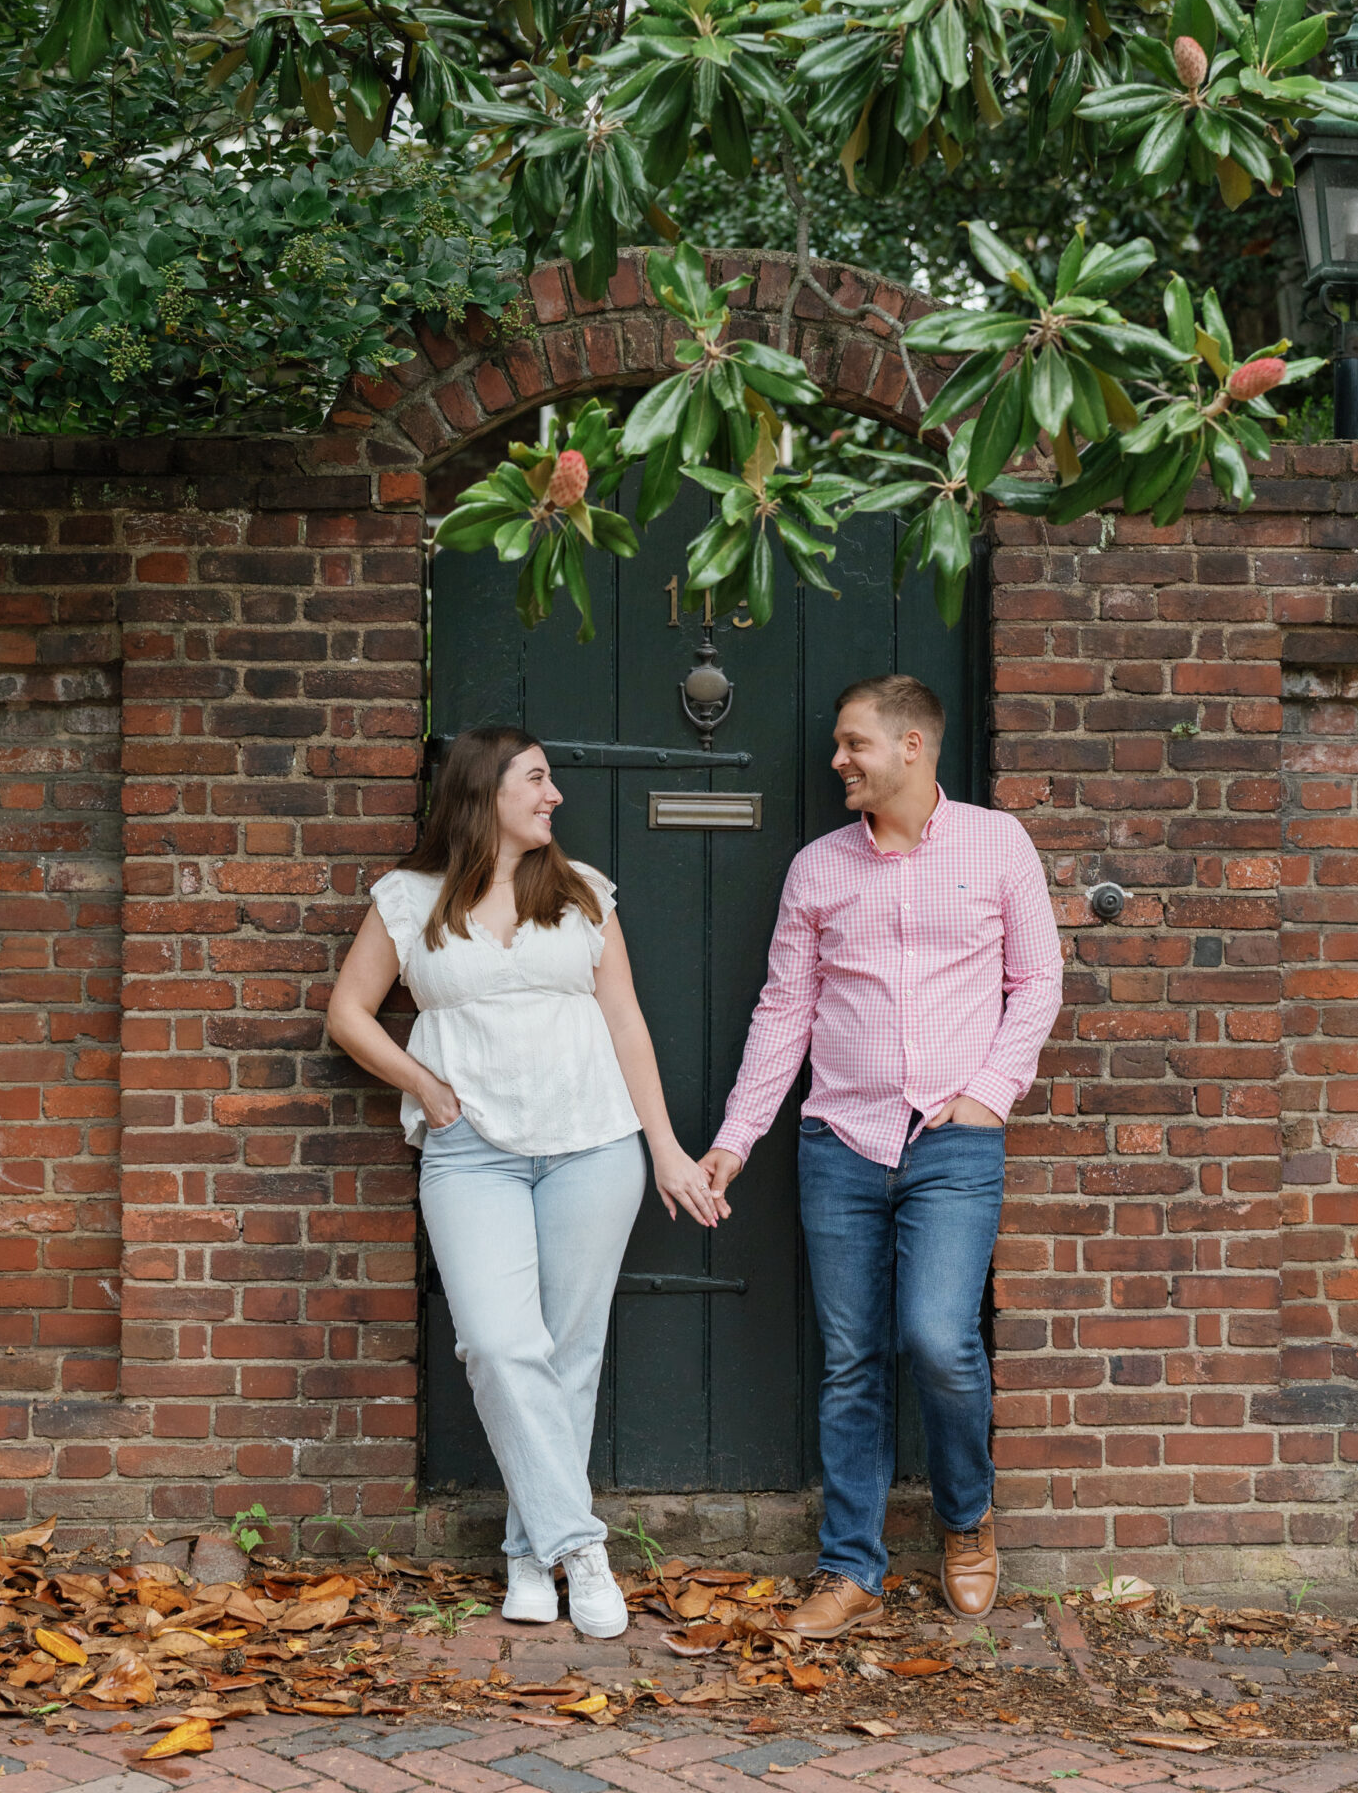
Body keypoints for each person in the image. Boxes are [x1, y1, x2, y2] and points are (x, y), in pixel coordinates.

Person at [327, 725, 719, 1640]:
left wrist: (664, 1146)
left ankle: (525, 1555)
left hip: (593, 1144)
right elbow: (349, 1012)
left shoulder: (581, 894)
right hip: (473, 1154)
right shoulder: (408, 899)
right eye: (537, 780)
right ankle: (581, 1547)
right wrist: (423, 1084)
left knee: (568, 1359)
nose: (554, 797)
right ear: (483, 792)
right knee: (501, 1348)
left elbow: (626, 1025)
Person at [699, 675, 1064, 1634]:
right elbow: (785, 1013)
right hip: (840, 1142)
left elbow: (1036, 981)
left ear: (912, 746)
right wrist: (736, 1141)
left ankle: (966, 1517)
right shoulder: (819, 868)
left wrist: (989, 1095)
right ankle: (851, 1569)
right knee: (853, 1358)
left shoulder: (997, 846)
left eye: (853, 743)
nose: (837, 761)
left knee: (940, 1343)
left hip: (953, 1143)